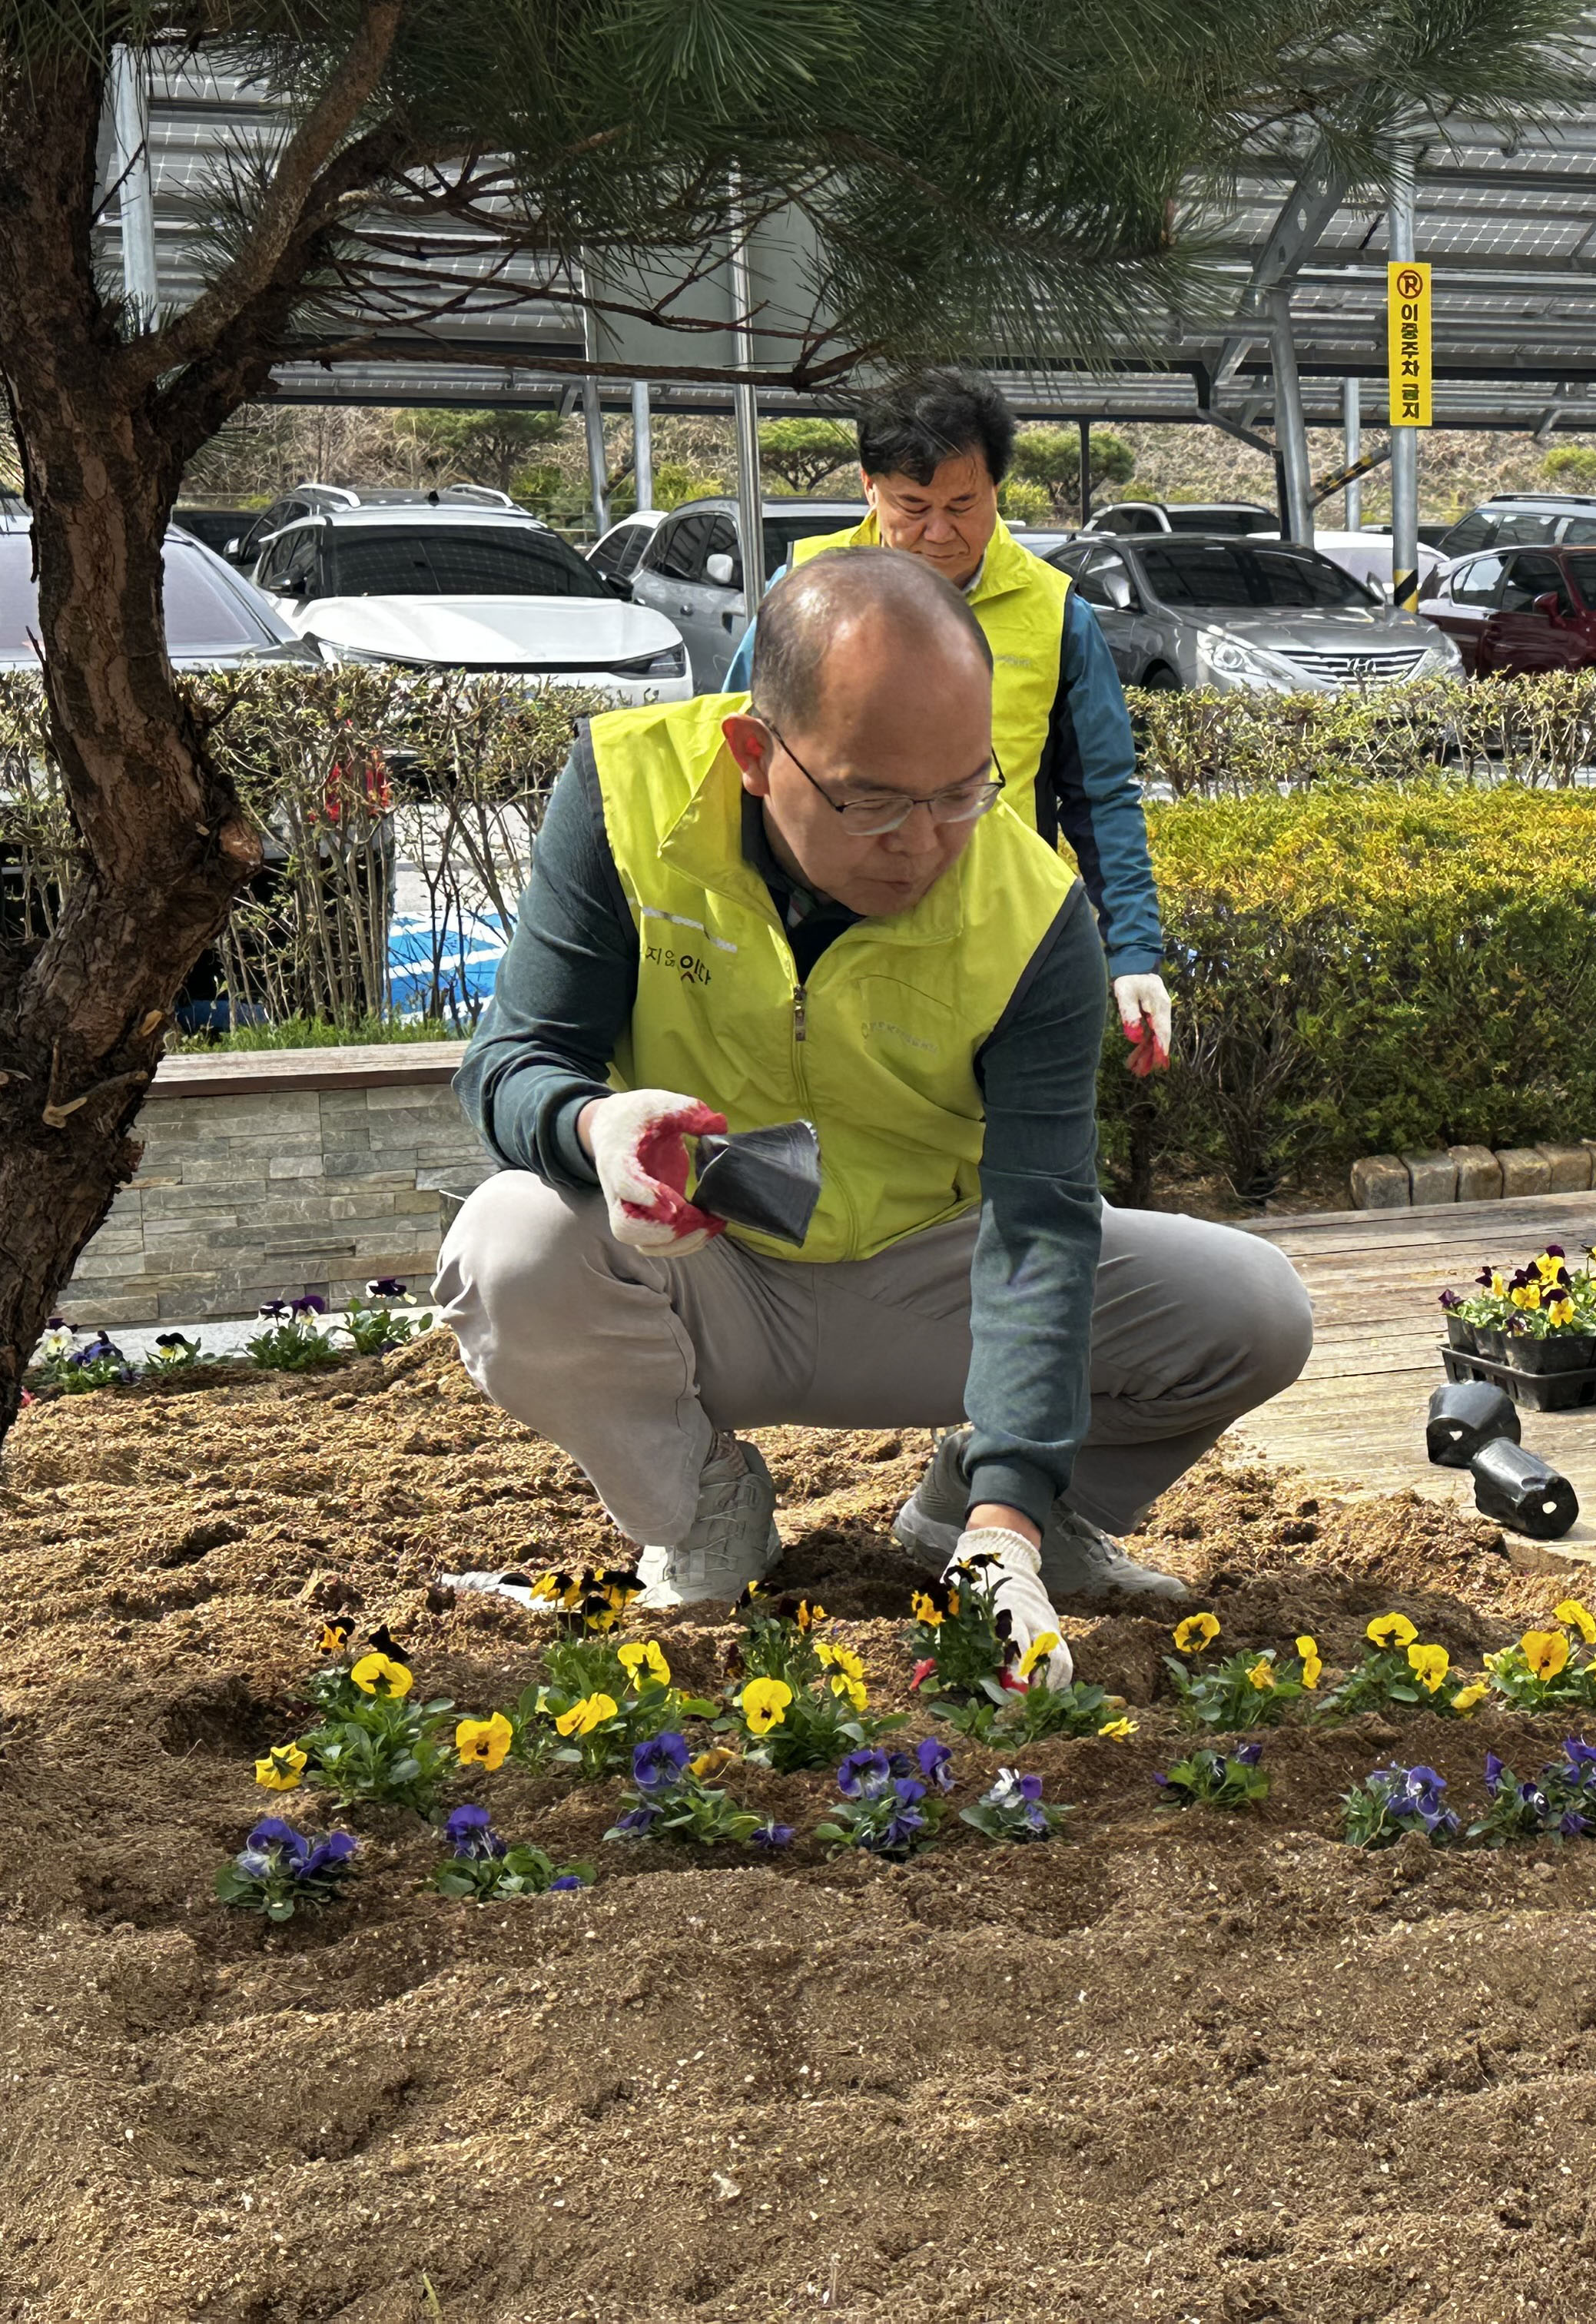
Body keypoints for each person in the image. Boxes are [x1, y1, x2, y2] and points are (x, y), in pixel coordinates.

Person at [438, 547, 1312, 1668]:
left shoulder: (1030, 910)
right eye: (870, 801)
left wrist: (1010, 1515)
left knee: (1252, 1310)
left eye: (960, 791)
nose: (922, 845)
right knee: (508, 1241)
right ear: (756, 754)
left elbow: (1041, 1218)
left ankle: (970, 1513)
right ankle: (704, 1509)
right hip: (711, 1275)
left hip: (929, 1281)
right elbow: (515, 1058)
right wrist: (593, 1128)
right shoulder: (625, 800)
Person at [722, 368, 1173, 1067]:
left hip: (989, 935)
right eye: (912, 504)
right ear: (869, 488)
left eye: (964, 504)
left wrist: (1134, 952)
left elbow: (1102, 795)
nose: (938, 531)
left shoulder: (1055, 614)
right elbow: (730, 764)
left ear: (997, 487)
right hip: (825, 933)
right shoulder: (803, 595)